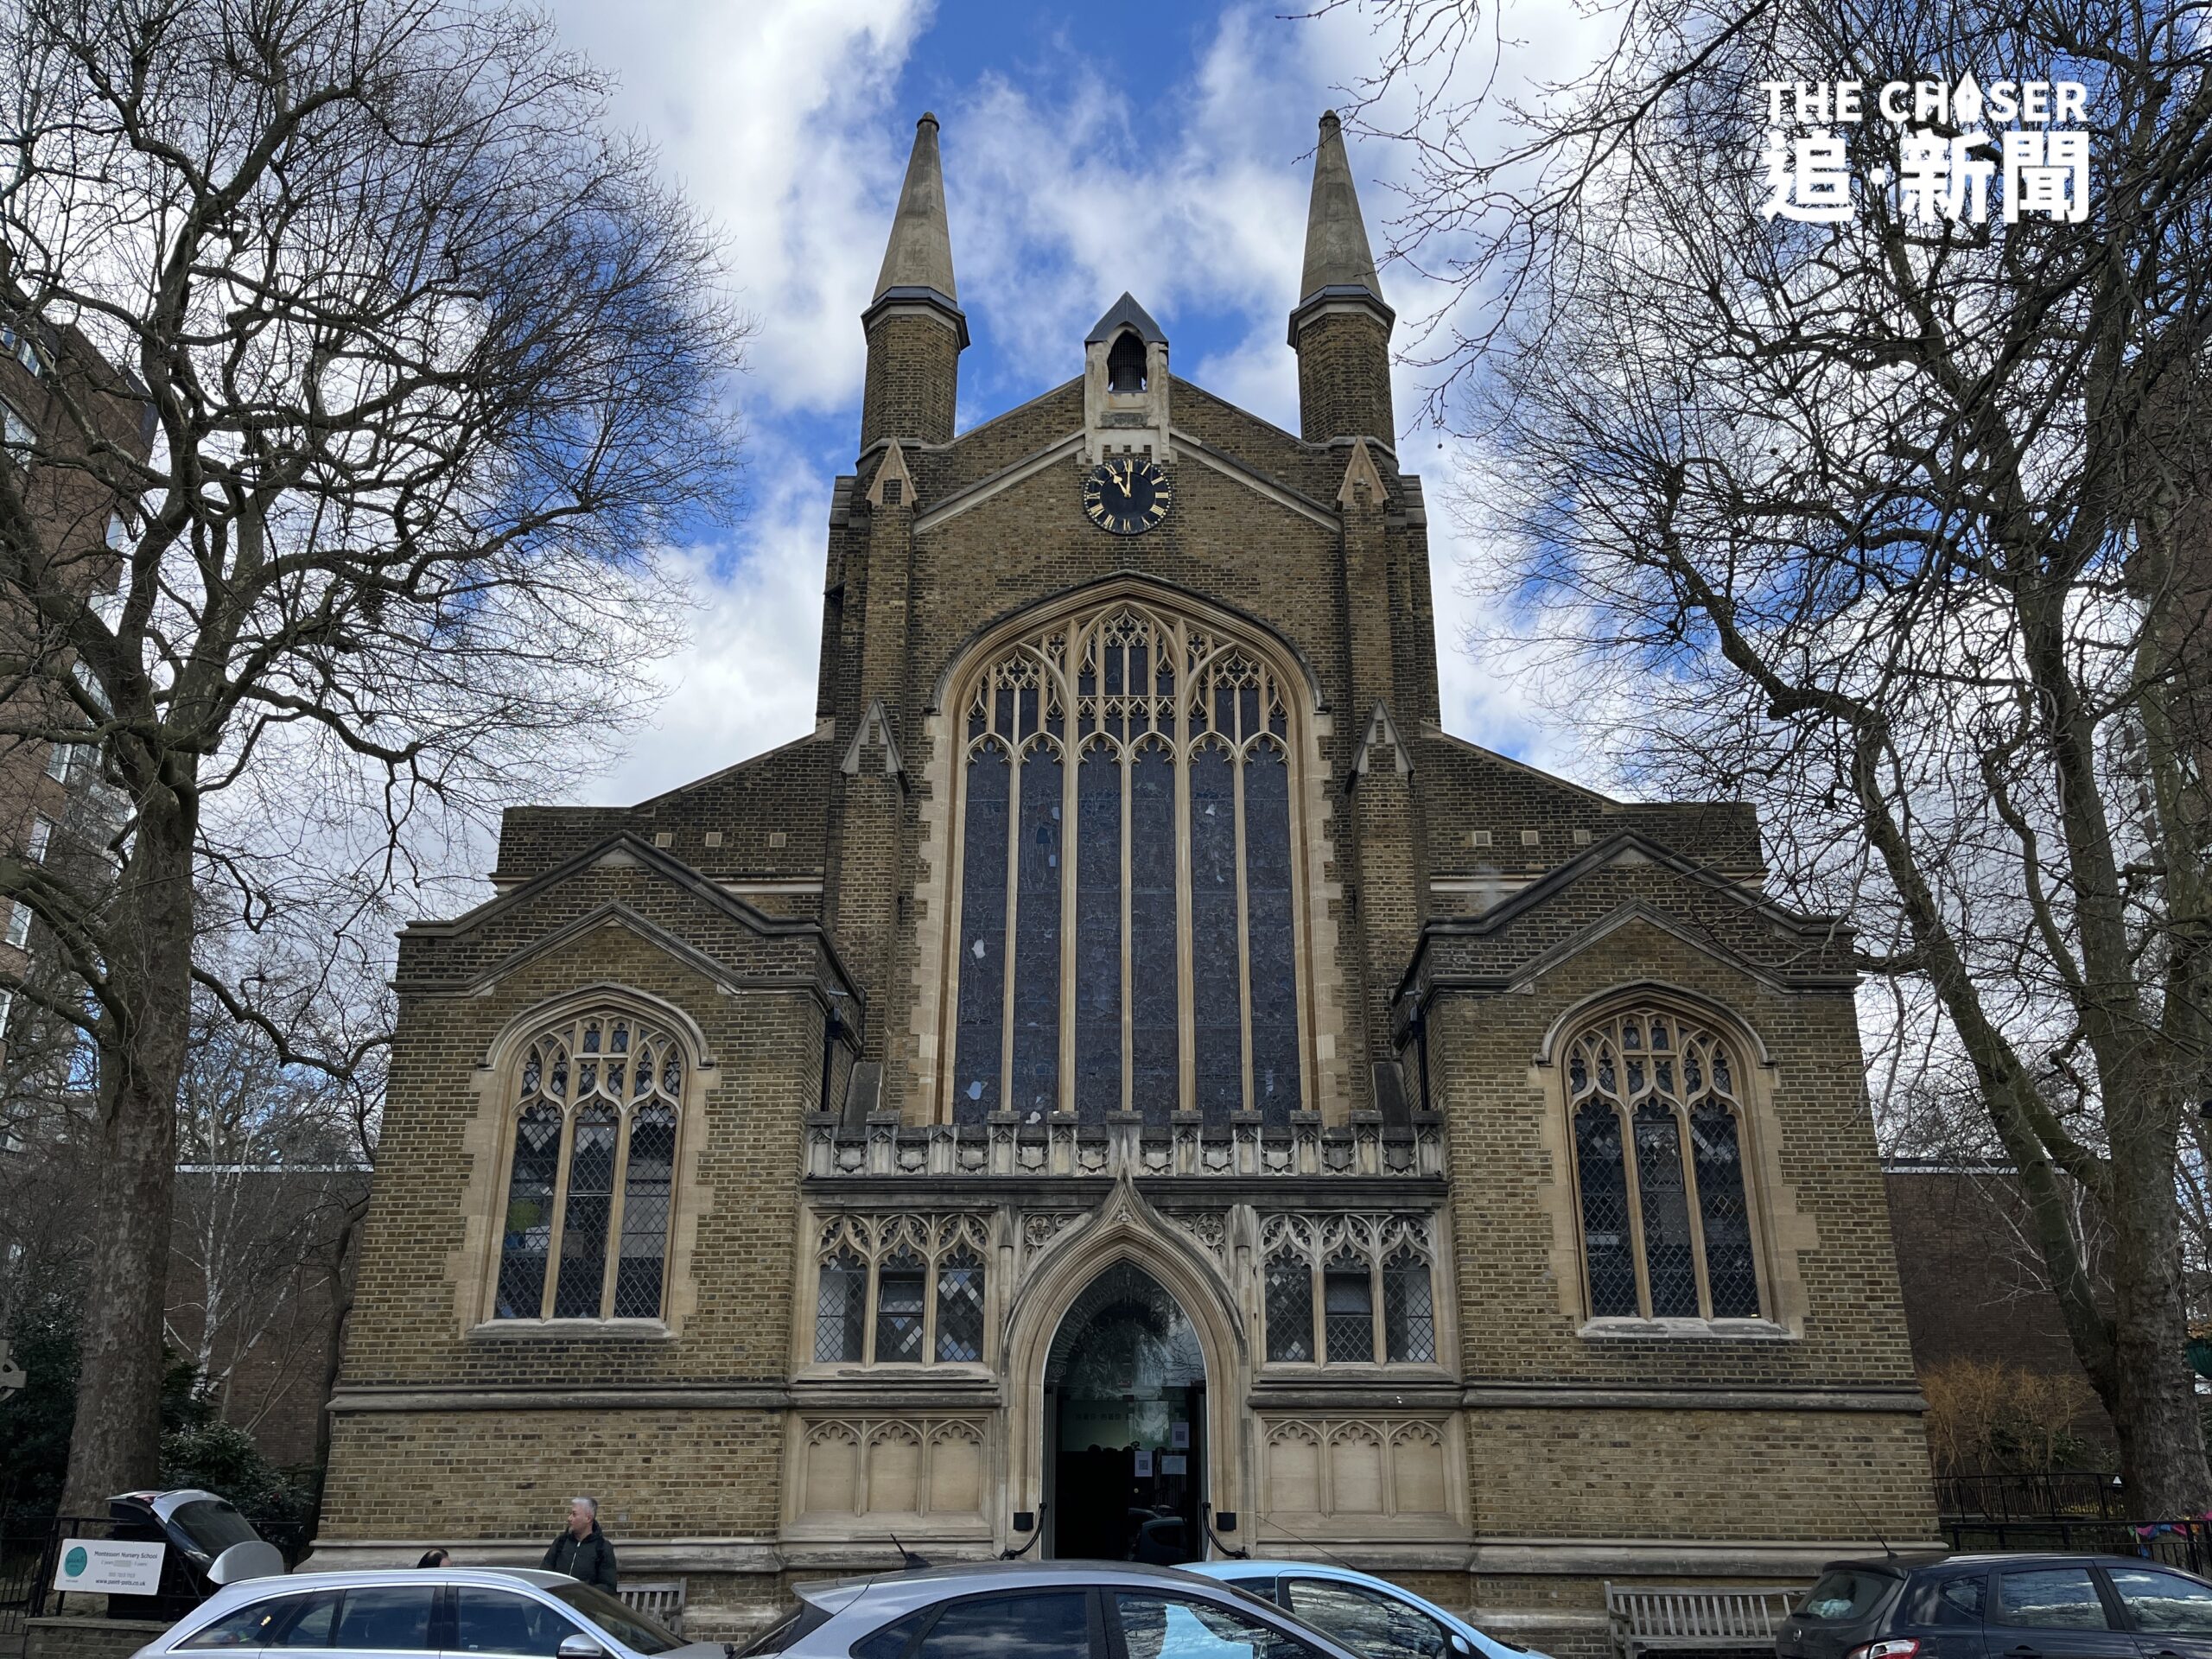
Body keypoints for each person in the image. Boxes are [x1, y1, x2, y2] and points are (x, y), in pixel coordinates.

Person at [541, 1497, 617, 1591]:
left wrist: (583, 1592)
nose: (569, 1518)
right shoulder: (561, 1542)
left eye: (574, 1514)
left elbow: (608, 1586)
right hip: (556, 1599)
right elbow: (544, 1574)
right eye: (570, 1514)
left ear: (588, 1518)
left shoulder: (602, 1547)